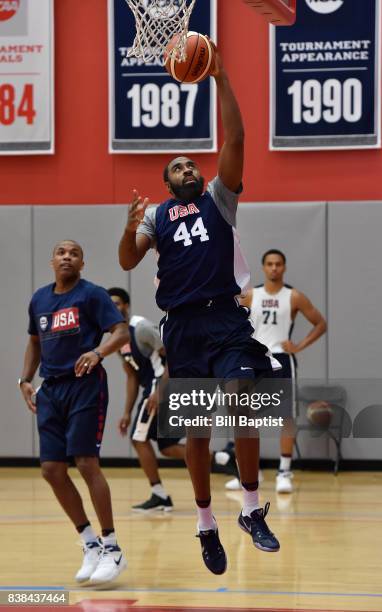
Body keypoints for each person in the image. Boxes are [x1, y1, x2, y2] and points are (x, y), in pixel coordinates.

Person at [118, 44, 282, 575]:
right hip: (182, 326)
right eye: (178, 166)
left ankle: (253, 510)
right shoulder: (157, 217)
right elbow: (127, 258)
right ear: (168, 182)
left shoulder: (219, 198)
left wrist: (221, 76)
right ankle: (206, 521)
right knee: (197, 432)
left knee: (242, 400)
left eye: (192, 162)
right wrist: (129, 226)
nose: (188, 167)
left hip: (226, 318)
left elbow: (235, 137)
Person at [19, 240, 129, 585]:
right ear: (52, 260)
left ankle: (112, 547)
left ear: (82, 262)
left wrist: (97, 353)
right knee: (51, 469)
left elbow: (120, 331)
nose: (67, 256)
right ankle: (89, 542)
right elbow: (35, 341)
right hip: (51, 389)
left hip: (85, 385)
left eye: (74, 253)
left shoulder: (92, 295)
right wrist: (25, 378)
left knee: (85, 462)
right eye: (61, 252)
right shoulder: (39, 299)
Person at [108, 287, 238, 512]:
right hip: (154, 388)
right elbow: (131, 376)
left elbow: (173, 356)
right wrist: (127, 412)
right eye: (109, 304)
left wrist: (160, 391)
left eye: (117, 303)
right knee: (167, 447)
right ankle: (224, 458)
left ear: (126, 306)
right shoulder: (117, 337)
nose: (114, 308)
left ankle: (159, 495)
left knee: (138, 439)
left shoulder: (140, 328)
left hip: (164, 385)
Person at [227, 249, 327, 494]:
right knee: (247, 417)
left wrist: (298, 346)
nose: (274, 268)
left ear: (284, 267)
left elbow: (320, 323)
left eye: (278, 264)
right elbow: (230, 320)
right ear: (263, 267)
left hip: (282, 359)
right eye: (270, 264)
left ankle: (284, 471)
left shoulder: (294, 296)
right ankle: (252, 471)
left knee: (286, 416)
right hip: (255, 359)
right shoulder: (251, 296)